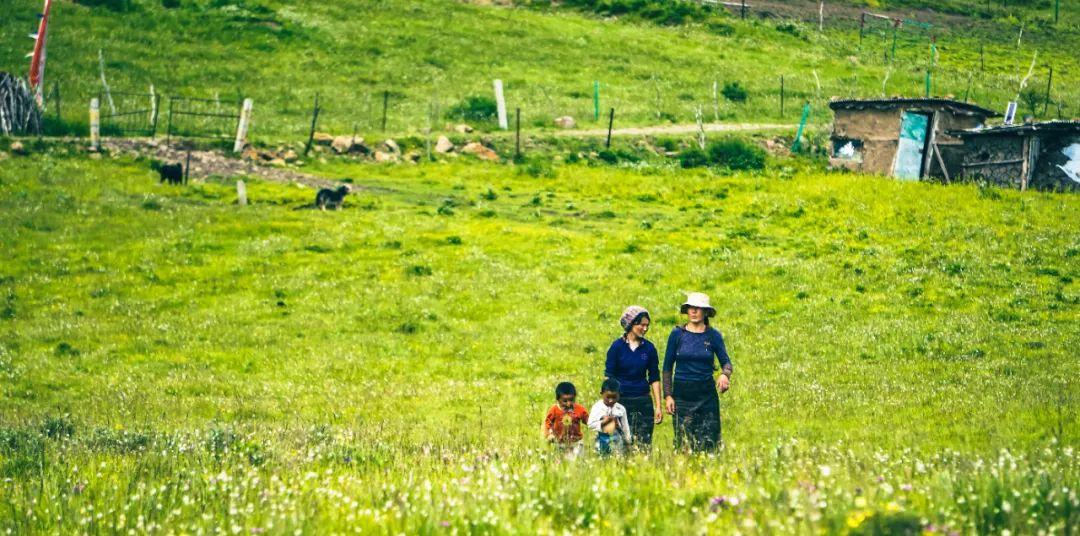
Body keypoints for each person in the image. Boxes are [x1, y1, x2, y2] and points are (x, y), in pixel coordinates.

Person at [662, 292, 733, 453]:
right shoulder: (677, 335)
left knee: (709, 442)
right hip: (682, 396)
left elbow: (727, 363)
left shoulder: (713, 336)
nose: (693, 311)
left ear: (706, 312)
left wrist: (724, 375)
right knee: (683, 443)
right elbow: (667, 367)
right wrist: (668, 396)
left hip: (706, 396)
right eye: (690, 308)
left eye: (698, 308)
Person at [604, 305, 662, 451]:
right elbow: (609, 376)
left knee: (644, 445)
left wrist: (658, 406)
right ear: (631, 324)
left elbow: (654, 377)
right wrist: (608, 405)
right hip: (621, 401)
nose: (645, 328)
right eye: (642, 325)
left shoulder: (649, 349)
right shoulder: (616, 347)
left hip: (643, 401)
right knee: (621, 445)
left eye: (647, 325)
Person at [542, 381, 589, 457]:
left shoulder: (579, 409)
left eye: (571, 400)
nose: (568, 404)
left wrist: (598, 424)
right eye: (565, 401)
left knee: (578, 462)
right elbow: (547, 423)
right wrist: (549, 435)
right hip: (560, 443)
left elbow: (589, 421)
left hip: (576, 442)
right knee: (561, 462)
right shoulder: (554, 410)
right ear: (557, 399)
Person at [588, 379, 631, 456]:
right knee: (602, 458)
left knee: (617, 458)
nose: (611, 400)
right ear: (601, 394)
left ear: (619, 395)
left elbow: (625, 426)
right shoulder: (597, 407)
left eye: (614, 397)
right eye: (608, 397)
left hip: (617, 439)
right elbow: (590, 424)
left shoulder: (621, 409)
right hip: (601, 439)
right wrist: (603, 423)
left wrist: (628, 441)